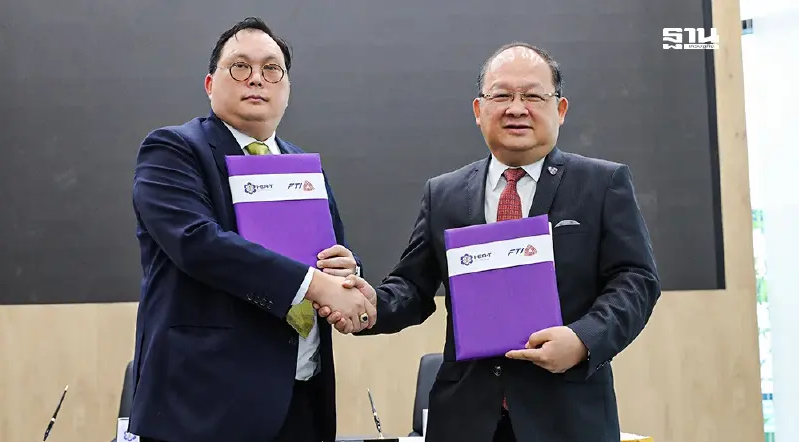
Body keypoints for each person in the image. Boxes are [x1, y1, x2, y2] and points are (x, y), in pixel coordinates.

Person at [323, 42, 661, 441]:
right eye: (501, 95)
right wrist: (370, 307)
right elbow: (412, 287)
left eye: (532, 96)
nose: (516, 108)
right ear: (479, 110)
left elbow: (636, 280)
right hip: (465, 420)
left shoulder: (602, 184)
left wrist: (583, 340)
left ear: (560, 109)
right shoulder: (444, 194)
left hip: (567, 417)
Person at [129, 17, 374, 442]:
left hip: (299, 400)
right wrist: (317, 285)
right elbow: (198, 244)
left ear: (287, 89)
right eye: (240, 66)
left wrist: (347, 273)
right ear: (210, 84)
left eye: (271, 69)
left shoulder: (302, 165)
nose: (256, 79)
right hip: (203, 408)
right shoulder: (172, 150)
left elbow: (332, 254)